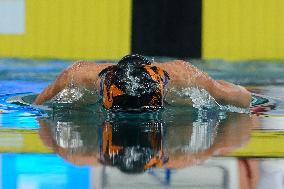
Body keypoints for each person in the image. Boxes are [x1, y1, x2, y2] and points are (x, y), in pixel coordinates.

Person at [34, 54, 251, 109]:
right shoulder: (77, 75)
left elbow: (241, 97)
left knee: (217, 87)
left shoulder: (185, 76)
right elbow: (39, 104)